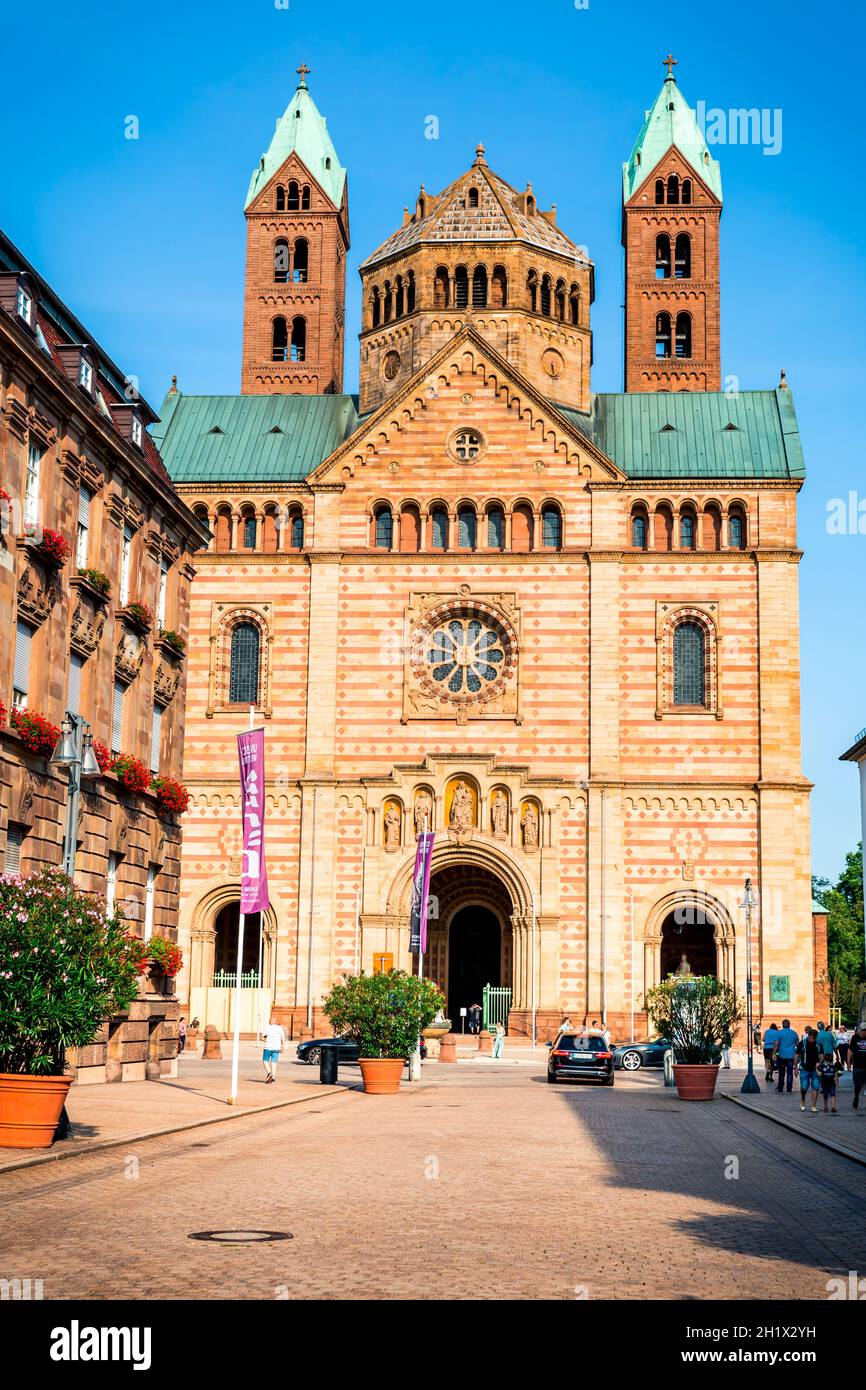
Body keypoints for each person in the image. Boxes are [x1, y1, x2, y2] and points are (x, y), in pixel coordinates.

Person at [797, 1028, 821, 1113]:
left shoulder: (818, 1044)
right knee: (804, 1087)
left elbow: (822, 1055)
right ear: (809, 1036)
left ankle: (814, 1106)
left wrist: (819, 1063)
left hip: (815, 1070)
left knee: (816, 1087)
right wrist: (795, 1068)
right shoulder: (802, 1043)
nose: (813, 1040)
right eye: (812, 1038)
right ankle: (803, 1100)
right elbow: (796, 1055)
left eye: (815, 1038)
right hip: (804, 1069)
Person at [774, 1019, 799, 1094]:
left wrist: (774, 1053)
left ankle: (780, 1089)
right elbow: (798, 1044)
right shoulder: (794, 1033)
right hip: (791, 1056)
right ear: (789, 1025)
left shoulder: (779, 1033)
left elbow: (776, 1044)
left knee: (781, 1073)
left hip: (781, 1056)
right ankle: (789, 1090)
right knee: (789, 1073)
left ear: (782, 1025)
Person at [262, 1014, 287, 1083]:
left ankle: (269, 1073)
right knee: (274, 1062)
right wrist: (282, 1047)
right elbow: (283, 1039)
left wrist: (265, 1039)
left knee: (265, 1060)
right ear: (276, 1022)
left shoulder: (267, 1028)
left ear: (270, 1022)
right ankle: (273, 1078)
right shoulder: (280, 1028)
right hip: (276, 1047)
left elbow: (263, 1037)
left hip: (268, 1047)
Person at [850, 1023, 866, 1109]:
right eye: (863, 1030)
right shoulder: (855, 1038)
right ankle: (856, 1096)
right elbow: (850, 1050)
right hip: (857, 1066)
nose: (865, 1032)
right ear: (860, 1030)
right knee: (858, 1085)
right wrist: (849, 1062)